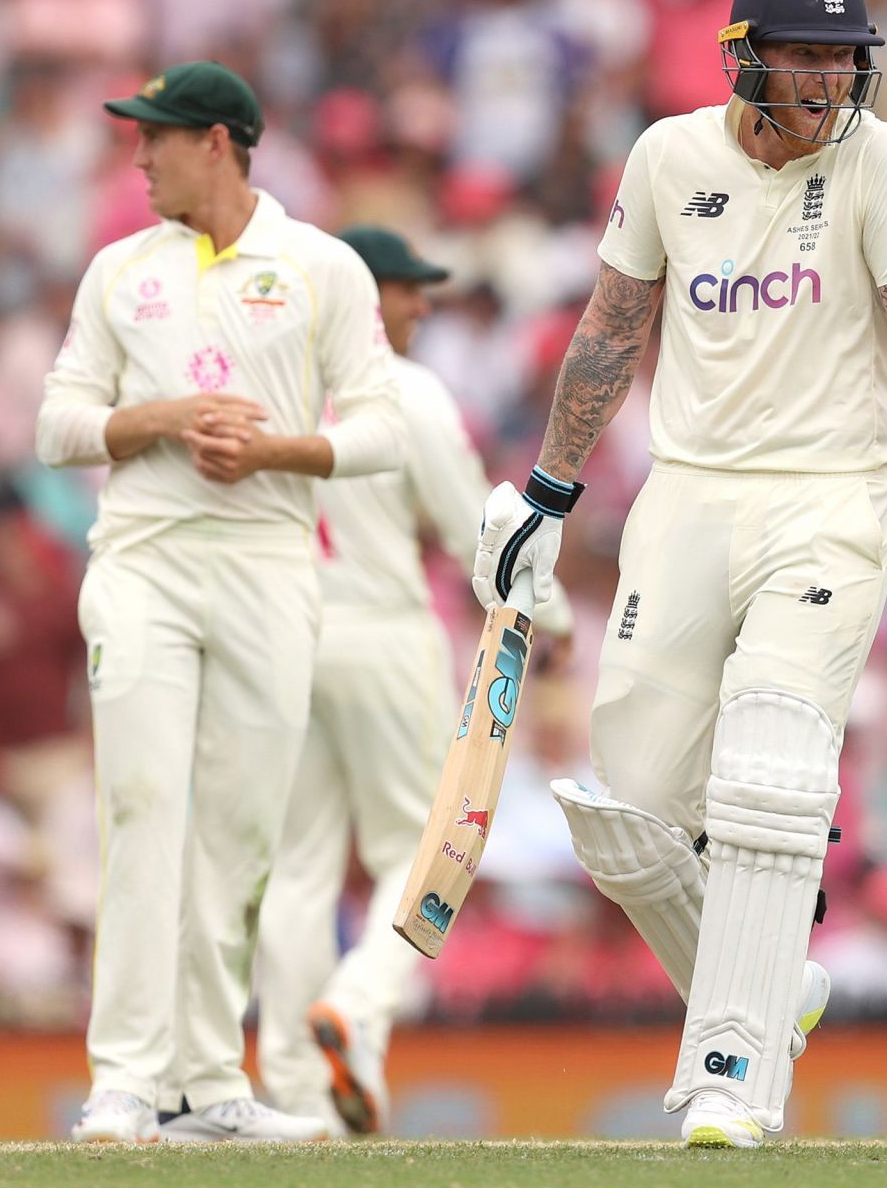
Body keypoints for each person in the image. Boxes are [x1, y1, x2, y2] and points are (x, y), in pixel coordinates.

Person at [471, 0, 887, 1148]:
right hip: (688, 497)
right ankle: (778, 989)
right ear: (742, 57)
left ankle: (730, 1073)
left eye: (844, 56)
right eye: (805, 54)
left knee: (771, 758)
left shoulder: (885, 159)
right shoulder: (670, 157)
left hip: (829, 496)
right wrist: (543, 497)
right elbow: (614, 326)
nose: (828, 78)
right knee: (629, 809)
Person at [36, 61, 407, 1144]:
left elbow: (381, 424)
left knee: (243, 834)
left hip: (267, 563)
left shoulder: (321, 265)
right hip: (144, 561)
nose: (138, 156)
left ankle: (208, 1084)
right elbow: (58, 423)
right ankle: (122, 1078)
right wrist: (161, 419)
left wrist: (274, 449)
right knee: (142, 807)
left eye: (155, 136)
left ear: (218, 141)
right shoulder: (119, 269)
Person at [252, 226, 569, 1137]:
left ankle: (300, 1095)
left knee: (298, 867)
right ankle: (358, 1004)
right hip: (382, 634)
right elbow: (481, 531)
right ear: (360, 295)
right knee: (429, 849)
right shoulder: (405, 392)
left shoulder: (269, 387)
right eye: (406, 289)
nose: (422, 305)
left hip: (281, 639)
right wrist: (556, 620)